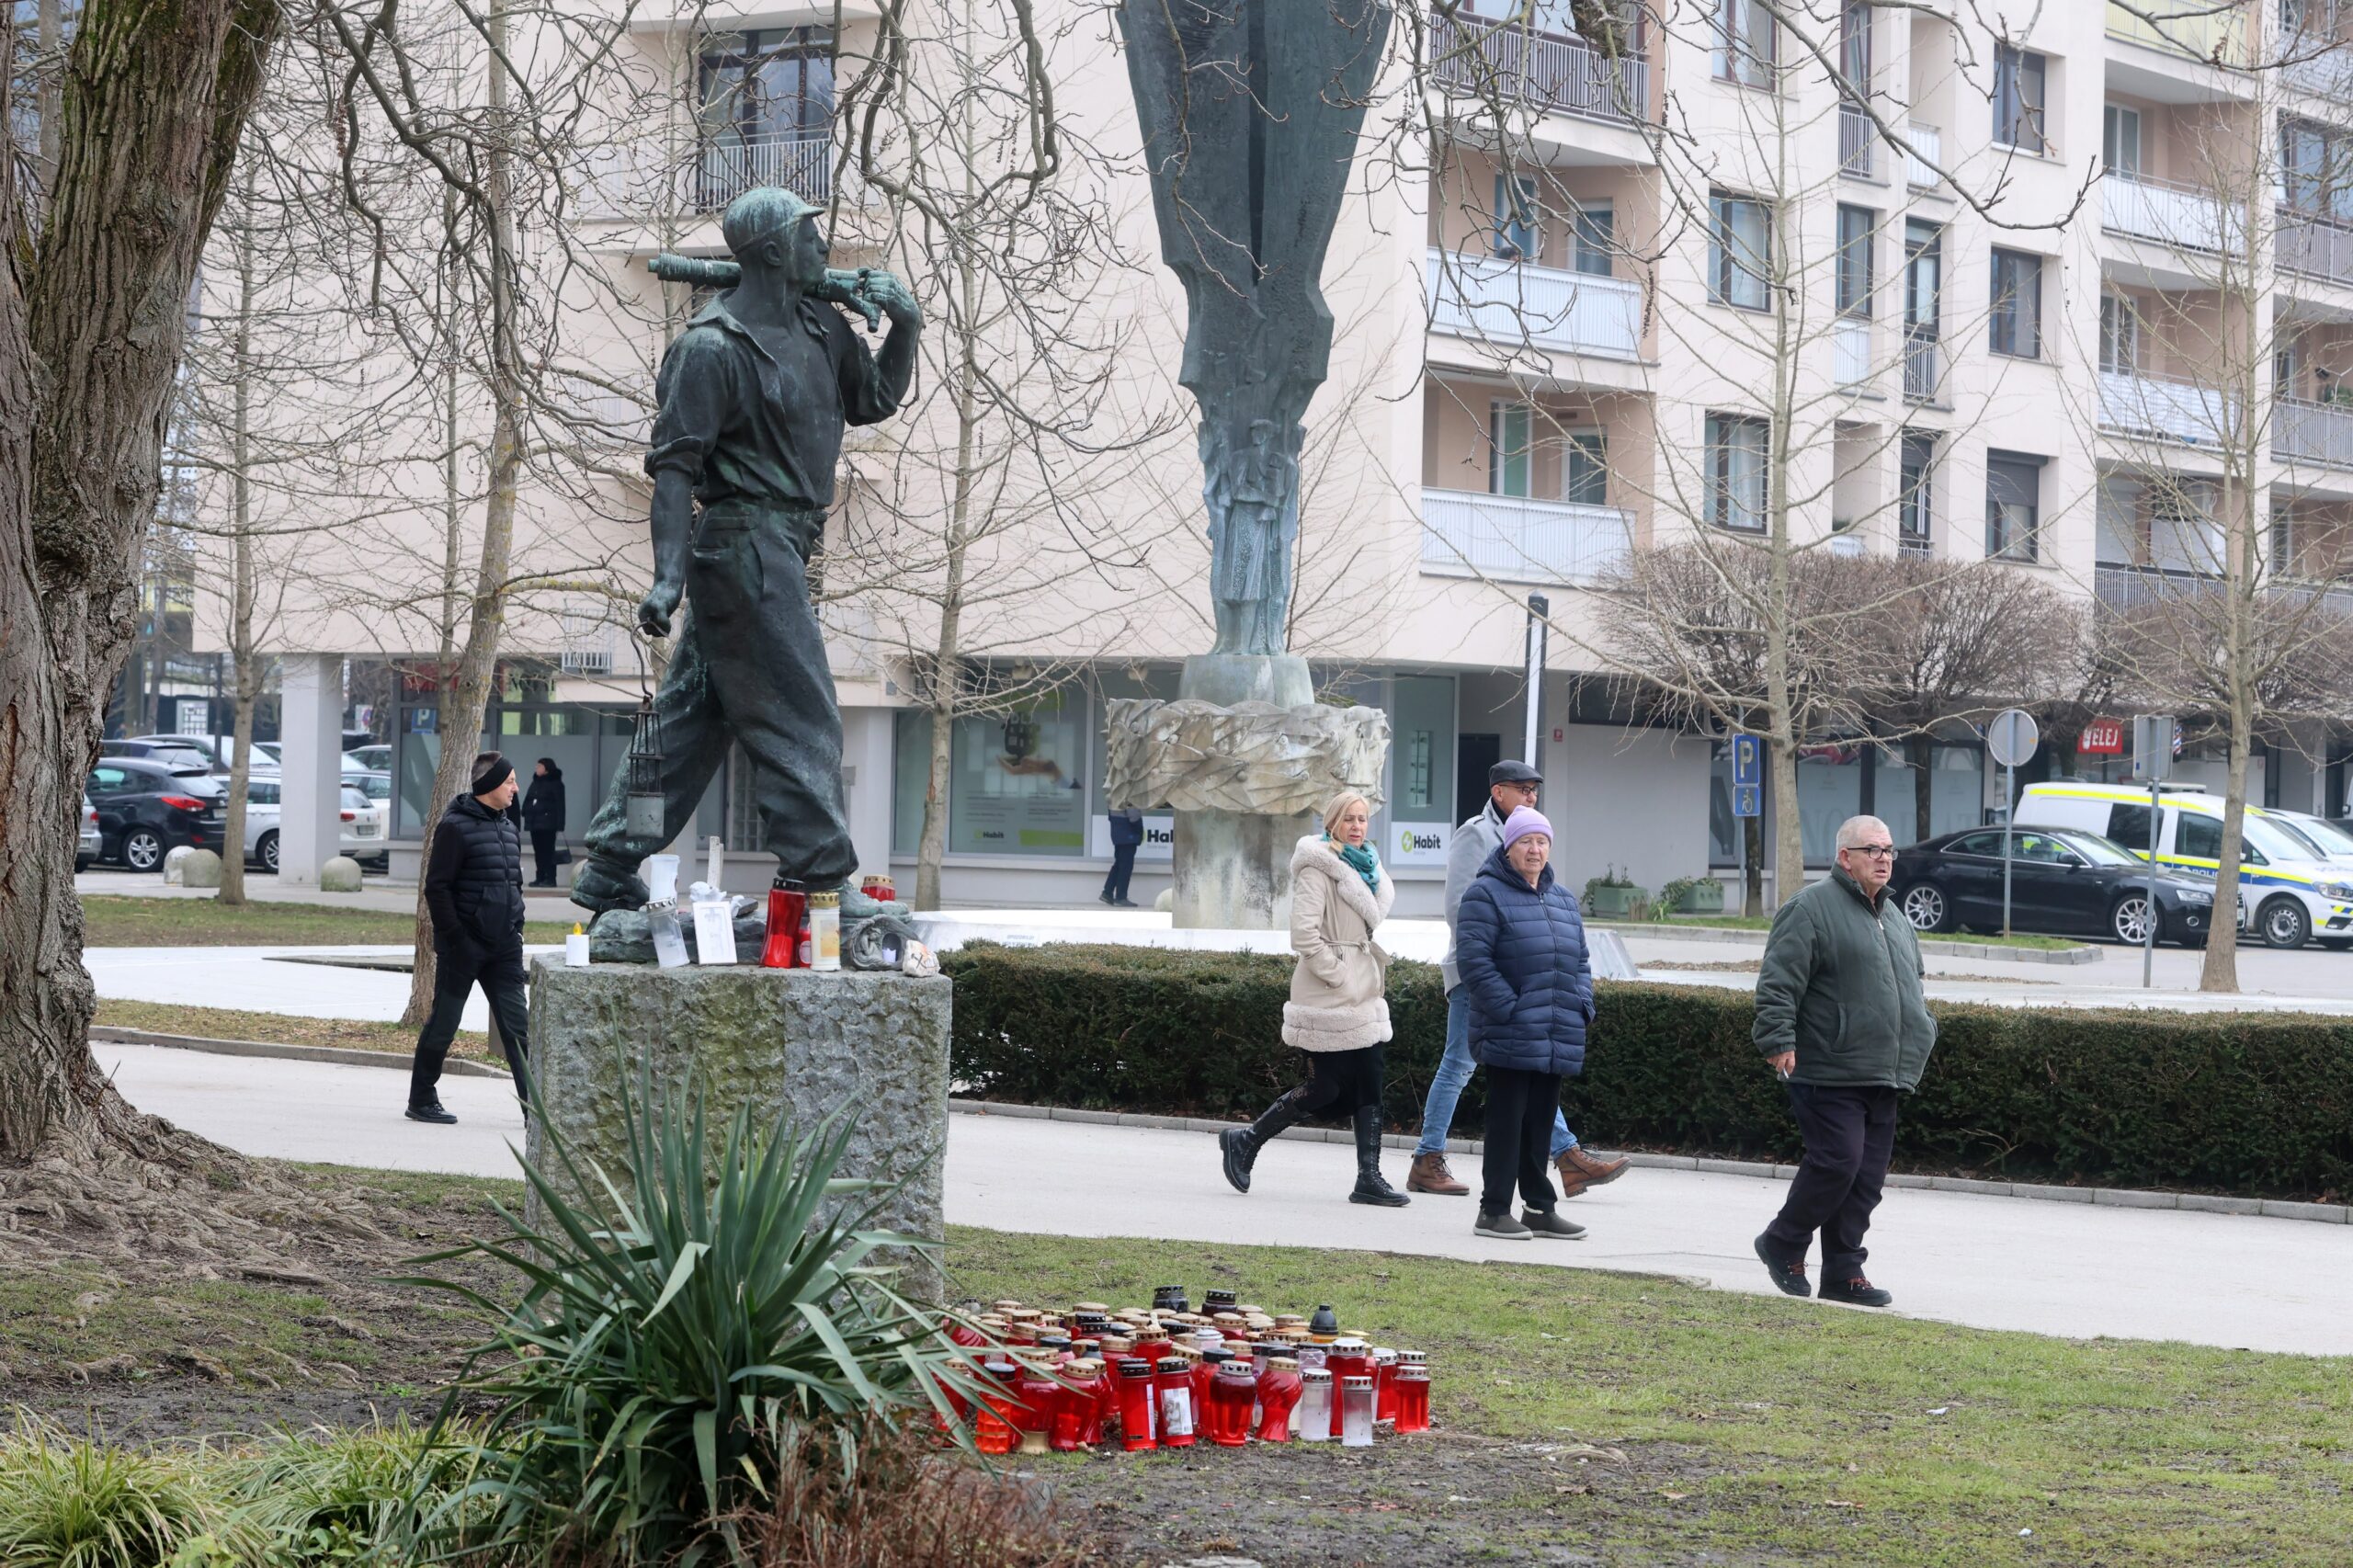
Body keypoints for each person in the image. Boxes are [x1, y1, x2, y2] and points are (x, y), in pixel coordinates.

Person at [570, 186, 920, 920]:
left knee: (693, 719)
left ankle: (609, 866)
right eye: (809, 238)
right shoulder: (710, 347)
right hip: (742, 546)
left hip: (790, 545)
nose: (823, 251)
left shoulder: (822, 325)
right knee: (804, 715)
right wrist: (666, 577)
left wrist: (906, 328)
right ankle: (818, 877)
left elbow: (875, 401)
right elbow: (674, 470)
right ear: (771, 253)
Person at [1408, 761, 1629, 1199]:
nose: (1530, 796)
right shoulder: (1476, 833)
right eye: (1522, 789)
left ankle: (1566, 1157)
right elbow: (1459, 907)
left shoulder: (1530, 834)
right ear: (1497, 793)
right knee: (1460, 1064)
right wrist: (1499, 984)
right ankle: (1428, 1157)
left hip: (1522, 977)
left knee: (1529, 1065)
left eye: (1534, 790)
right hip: (1484, 974)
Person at [1752, 814, 1938, 1308]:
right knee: (1838, 1163)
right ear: (1844, 858)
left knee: (1866, 1179)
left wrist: (1921, 1029)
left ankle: (1843, 1272)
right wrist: (1777, 1038)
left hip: (1885, 1069)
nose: (1883, 858)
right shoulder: (1810, 908)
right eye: (1872, 850)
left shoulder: (1894, 915)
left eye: (1889, 850)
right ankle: (1783, 1242)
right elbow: (1778, 982)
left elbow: (1909, 984)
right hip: (1827, 1066)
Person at [1216, 790, 1409, 1207]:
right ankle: (1245, 1142)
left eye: (1362, 819)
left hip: (1365, 992)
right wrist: (1338, 973)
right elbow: (1303, 934)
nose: (1357, 826)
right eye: (1348, 819)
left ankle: (1368, 1177)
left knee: (1371, 1082)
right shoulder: (1317, 868)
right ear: (1332, 823)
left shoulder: (1369, 868)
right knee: (1324, 1087)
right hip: (1328, 992)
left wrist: (1357, 973)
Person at [1454, 807, 1595, 1241]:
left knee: (1539, 1124)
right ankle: (1493, 1210)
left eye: (1541, 842)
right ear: (1508, 847)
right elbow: (1474, 963)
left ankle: (1539, 1207)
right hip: (1512, 1030)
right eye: (1525, 842)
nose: (1535, 850)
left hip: (1556, 1030)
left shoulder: (1563, 898)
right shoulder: (1485, 894)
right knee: (1507, 1123)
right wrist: (1511, 1010)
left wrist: (1582, 1005)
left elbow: (1582, 962)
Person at [408, 752, 532, 1123]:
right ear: (490, 784)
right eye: (510, 780)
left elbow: (514, 884)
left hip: (504, 947)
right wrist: (457, 938)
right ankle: (421, 1099)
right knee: (444, 1025)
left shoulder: (509, 828)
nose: (516, 787)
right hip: (463, 948)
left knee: (519, 1029)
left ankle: (535, 1108)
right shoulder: (454, 827)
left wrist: (516, 927)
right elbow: (437, 888)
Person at [522, 758, 566, 888]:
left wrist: (560, 824)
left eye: (540, 766)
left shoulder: (556, 784)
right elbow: (528, 799)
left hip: (548, 824)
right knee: (538, 852)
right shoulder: (535, 782)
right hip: (535, 824)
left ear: (546, 768)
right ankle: (539, 876)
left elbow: (560, 806)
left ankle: (550, 878)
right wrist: (525, 811)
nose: (537, 768)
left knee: (548, 851)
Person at [1101, 804, 1143, 907]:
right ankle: (1121, 897)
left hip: (1118, 832)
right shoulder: (1128, 792)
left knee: (1119, 864)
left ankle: (1107, 892)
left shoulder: (1115, 794)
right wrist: (1140, 830)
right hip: (1128, 833)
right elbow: (1134, 816)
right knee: (1126, 867)